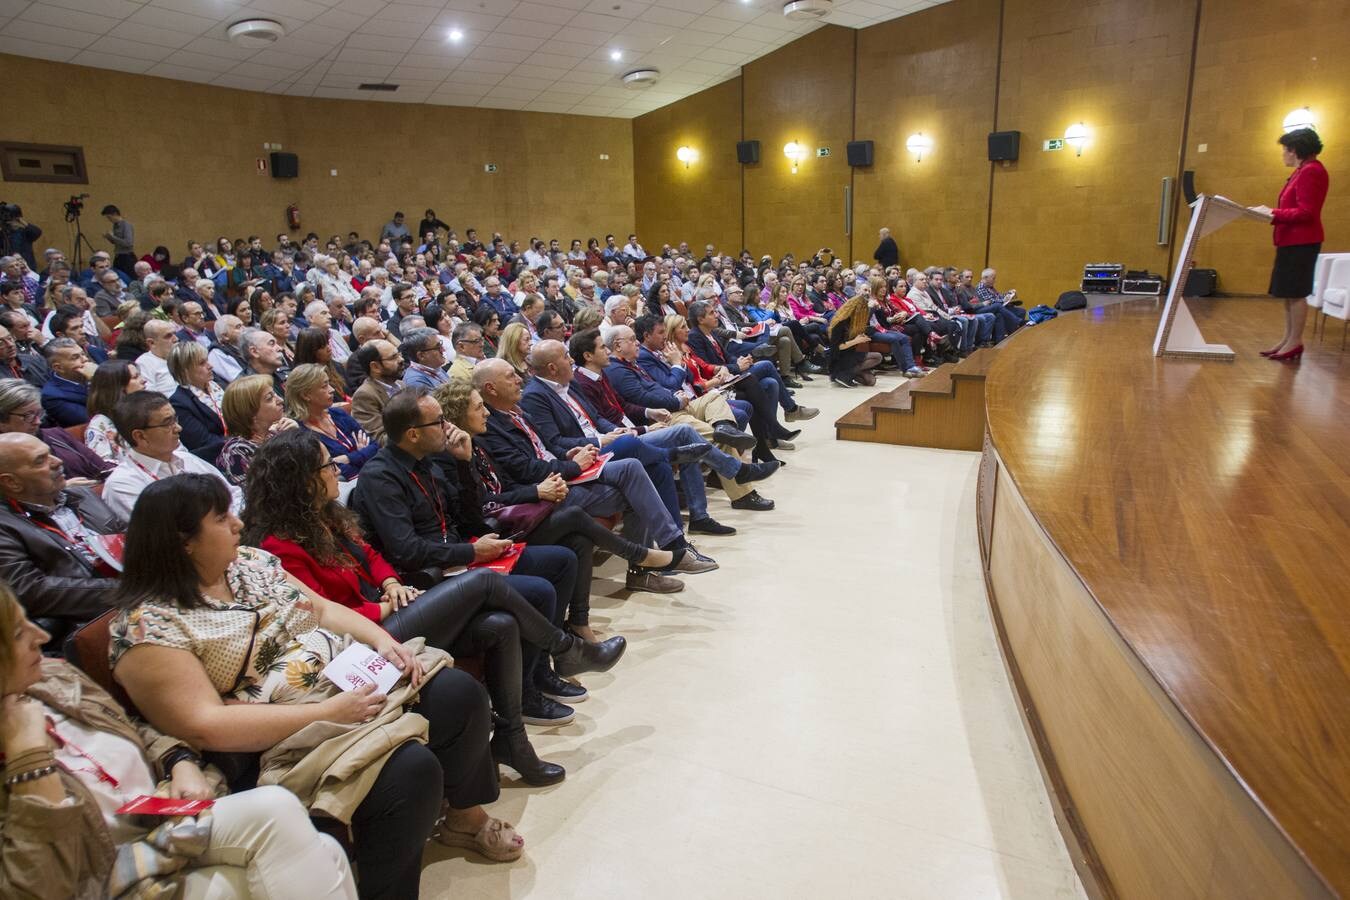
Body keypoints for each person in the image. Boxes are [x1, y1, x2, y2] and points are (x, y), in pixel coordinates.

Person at [109, 475, 526, 896]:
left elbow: (324, 611)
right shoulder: (149, 626)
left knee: (460, 695)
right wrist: (327, 712)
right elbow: (204, 724)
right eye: (221, 518)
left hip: (348, 675)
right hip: (289, 728)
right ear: (184, 542)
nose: (237, 524)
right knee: (410, 773)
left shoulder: (249, 561)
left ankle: (465, 820)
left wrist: (385, 643)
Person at [243, 429, 618, 785]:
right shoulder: (279, 545)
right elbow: (320, 618)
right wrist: (386, 608)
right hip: (360, 643)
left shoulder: (325, 516)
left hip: (389, 607)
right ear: (303, 479)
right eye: (328, 466)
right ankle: (567, 650)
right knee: (485, 581)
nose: (337, 471)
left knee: (500, 623)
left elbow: (371, 556)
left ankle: (512, 741)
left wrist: (390, 582)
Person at [0, 584, 360, 899]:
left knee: (294, 825)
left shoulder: (51, 677)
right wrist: (30, 762)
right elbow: (42, 888)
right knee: (317, 849)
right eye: (17, 633)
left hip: (160, 820)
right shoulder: (146, 625)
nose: (40, 636)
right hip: (102, 875)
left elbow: (132, 727)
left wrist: (180, 762)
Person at [351, 387, 625, 721]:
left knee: (562, 561)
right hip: (427, 577)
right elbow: (406, 550)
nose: (447, 426)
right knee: (539, 591)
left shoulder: (429, 463)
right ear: (412, 434)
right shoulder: (381, 477)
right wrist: (472, 551)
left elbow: (470, 518)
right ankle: (532, 689)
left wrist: (465, 464)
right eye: (438, 422)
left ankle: (543, 669)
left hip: (458, 558)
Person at [435, 378, 684, 601]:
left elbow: (518, 473)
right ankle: (648, 555)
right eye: (478, 407)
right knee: (627, 465)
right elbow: (485, 501)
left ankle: (644, 564)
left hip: (533, 495)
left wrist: (565, 459)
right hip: (503, 524)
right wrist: (540, 489)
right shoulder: (455, 455)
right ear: (458, 415)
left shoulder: (478, 440)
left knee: (639, 473)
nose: (486, 413)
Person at [0, 431, 124, 628]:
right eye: (40, 461)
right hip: (87, 622)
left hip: (137, 594)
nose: (57, 461)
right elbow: (31, 590)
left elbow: (128, 538)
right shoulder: (6, 527)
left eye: (50, 453)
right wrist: (126, 590)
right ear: (11, 482)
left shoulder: (83, 496)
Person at [1251, 128, 1328, 361]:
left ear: (1294, 150)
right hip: (1291, 240)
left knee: (1296, 293)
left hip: (1302, 241)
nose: (1283, 154)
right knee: (1288, 293)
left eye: (1285, 150)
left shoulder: (1311, 171)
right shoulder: (1302, 171)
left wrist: (1272, 213)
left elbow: (1307, 212)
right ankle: (1288, 338)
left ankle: (1295, 341)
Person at [102, 391, 242, 519]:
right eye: (168, 423)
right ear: (140, 436)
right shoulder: (123, 484)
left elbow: (233, 494)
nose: (178, 428)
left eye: (176, 420)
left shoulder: (187, 459)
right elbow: (168, 532)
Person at [288, 363, 376, 480]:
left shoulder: (338, 414)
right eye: (324, 386)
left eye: (329, 383)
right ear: (306, 395)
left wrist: (348, 458)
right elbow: (335, 471)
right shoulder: (301, 432)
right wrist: (363, 454)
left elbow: (375, 446)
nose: (332, 389)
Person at [217, 374, 297, 486]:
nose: (280, 400)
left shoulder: (274, 434)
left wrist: (296, 436)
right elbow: (259, 495)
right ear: (250, 413)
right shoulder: (237, 451)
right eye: (270, 398)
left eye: (275, 394)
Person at [167, 341, 227, 463]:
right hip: (219, 459)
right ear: (184, 371)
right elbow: (204, 442)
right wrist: (242, 440)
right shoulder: (179, 403)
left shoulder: (219, 385)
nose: (210, 366)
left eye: (207, 360)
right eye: (202, 363)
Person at [84, 358, 143, 462]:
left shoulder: (145, 410)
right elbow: (105, 468)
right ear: (118, 387)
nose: (143, 380)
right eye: (135, 377)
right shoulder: (99, 426)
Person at [349, 339, 403, 443]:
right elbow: (379, 439)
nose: (401, 359)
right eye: (393, 357)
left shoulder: (401, 384)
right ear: (375, 367)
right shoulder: (365, 395)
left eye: (399, 354)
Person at [829, 292, 884, 387]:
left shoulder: (855, 323)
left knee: (871, 381)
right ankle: (841, 374)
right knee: (877, 356)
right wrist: (857, 341)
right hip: (839, 358)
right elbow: (838, 347)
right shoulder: (840, 323)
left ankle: (845, 375)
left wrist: (862, 337)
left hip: (850, 355)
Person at [39, 338, 94, 427]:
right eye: (75, 357)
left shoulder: (93, 371)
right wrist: (96, 380)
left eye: (83, 354)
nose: (85, 359)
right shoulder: (52, 397)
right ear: (58, 368)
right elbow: (91, 422)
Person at [135, 318, 179, 396]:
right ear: (151, 343)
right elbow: (150, 397)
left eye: (174, 334)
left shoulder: (180, 354)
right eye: (168, 336)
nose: (176, 339)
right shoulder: (143, 363)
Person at [100, 204, 136, 277]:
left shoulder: (126, 225)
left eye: (109, 217)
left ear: (115, 214)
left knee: (127, 278)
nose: (109, 220)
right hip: (118, 256)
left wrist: (112, 237)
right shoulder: (115, 226)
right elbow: (116, 242)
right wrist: (108, 237)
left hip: (126, 257)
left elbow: (128, 243)